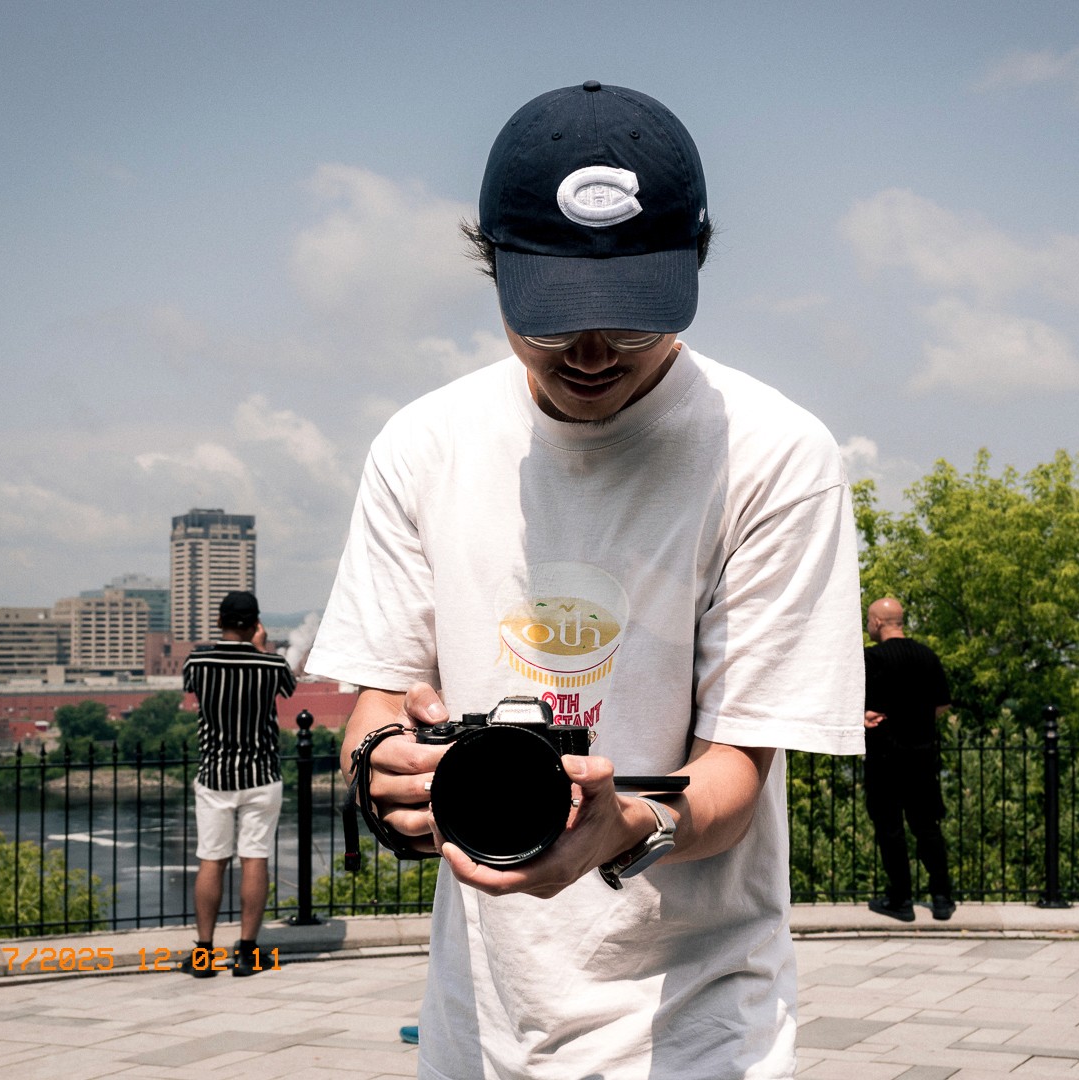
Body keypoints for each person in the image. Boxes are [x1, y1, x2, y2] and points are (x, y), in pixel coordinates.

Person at [306, 81, 864, 1079]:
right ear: (495, 267)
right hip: (475, 1022)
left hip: (699, 1022)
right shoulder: (422, 446)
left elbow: (735, 770)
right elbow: (381, 694)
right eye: (556, 321)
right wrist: (384, 766)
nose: (594, 352)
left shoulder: (776, 455)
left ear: (693, 267)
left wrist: (626, 825)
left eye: (633, 321)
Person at [179, 590, 296, 977]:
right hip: (261, 774)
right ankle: (247, 952)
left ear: (220, 621)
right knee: (254, 857)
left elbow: (191, 689)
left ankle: (203, 955)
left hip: (215, 774)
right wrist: (261, 650)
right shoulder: (271, 665)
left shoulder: (199, 660)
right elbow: (289, 689)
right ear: (256, 623)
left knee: (211, 859)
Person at [862, 597, 955, 922]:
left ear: (876, 623)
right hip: (922, 753)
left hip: (884, 757)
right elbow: (942, 705)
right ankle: (942, 898)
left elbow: (859, 708)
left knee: (890, 828)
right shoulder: (927, 656)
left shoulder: (871, 659)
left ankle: (900, 899)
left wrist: (866, 718)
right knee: (927, 826)